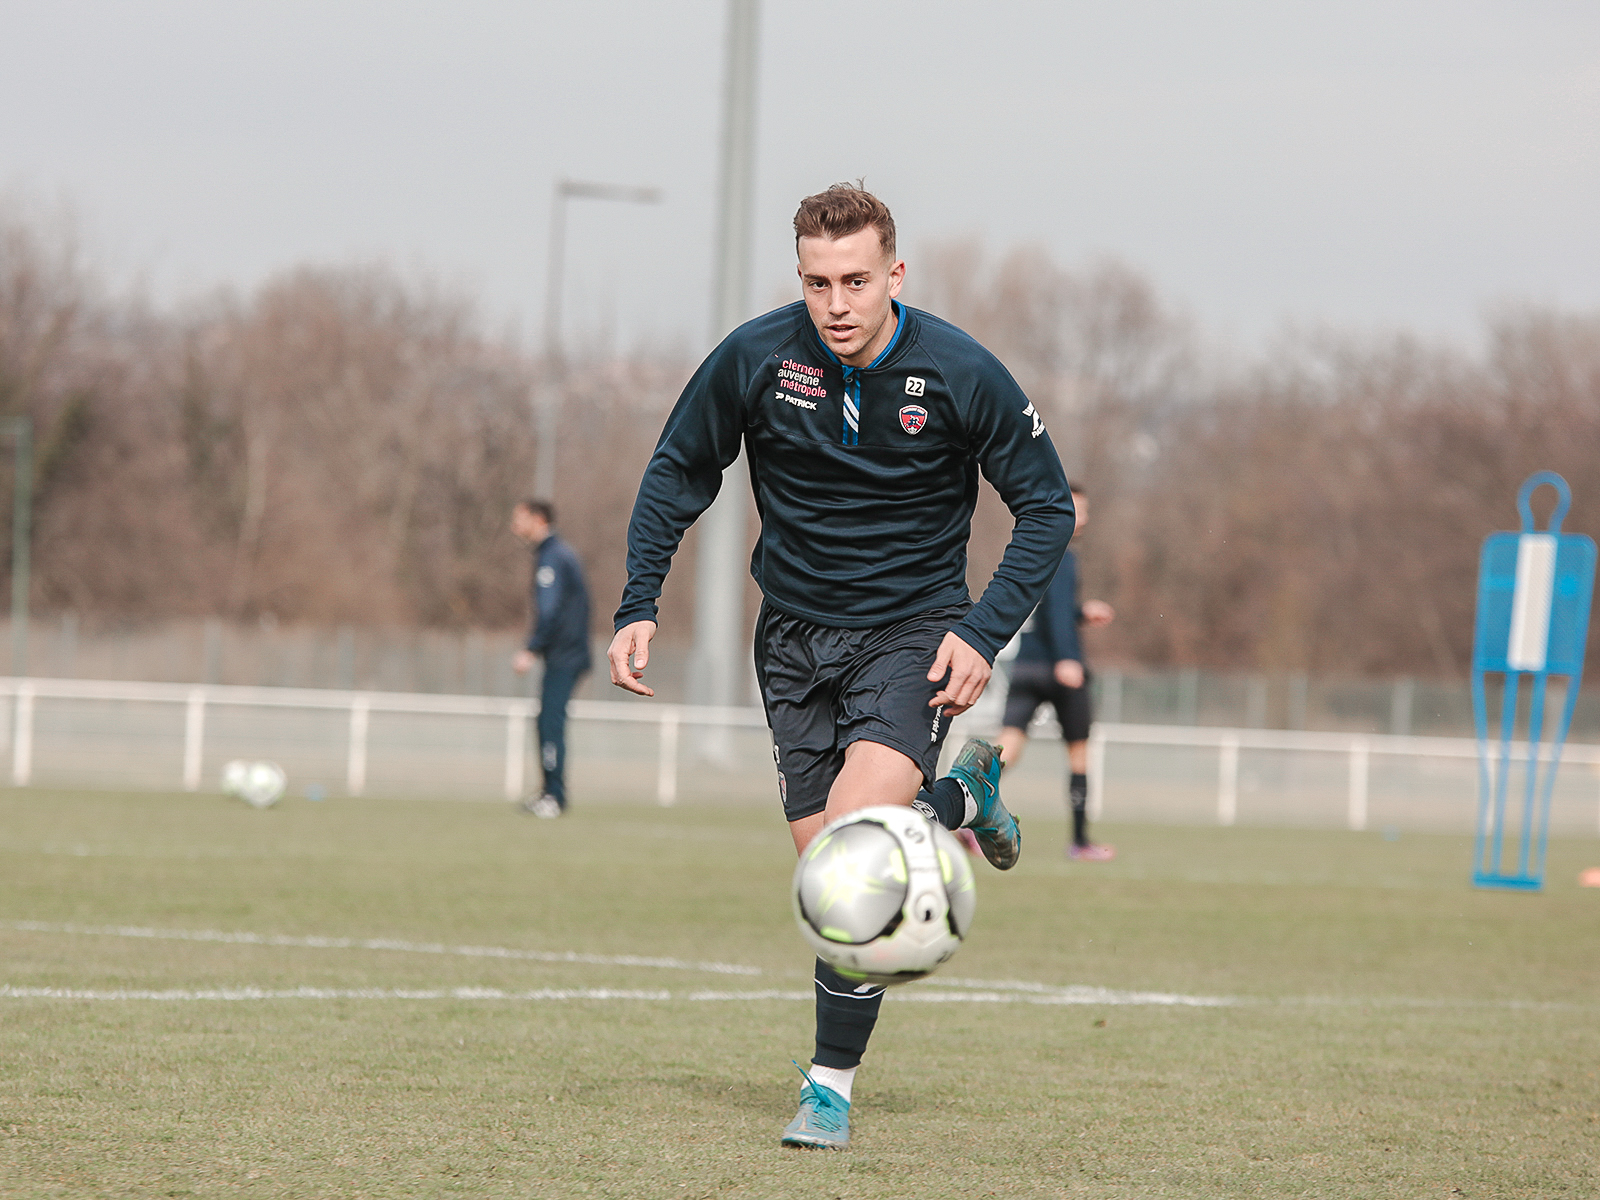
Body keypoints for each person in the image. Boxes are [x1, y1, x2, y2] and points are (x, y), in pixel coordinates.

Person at [607, 184, 1075, 1150]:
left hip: (914, 635)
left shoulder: (957, 371)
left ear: (894, 274)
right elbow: (675, 471)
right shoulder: (758, 357)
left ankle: (829, 1088)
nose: (837, 303)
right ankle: (963, 800)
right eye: (818, 283)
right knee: (830, 878)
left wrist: (982, 633)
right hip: (792, 643)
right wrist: (639, 602)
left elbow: (1047, 506)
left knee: (860, 864)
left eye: (857, 280)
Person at [998, 485, 1116, 859]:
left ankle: (960, 817)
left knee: (1003, 752)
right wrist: (1068, 657)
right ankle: (1080, 842)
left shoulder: (1034, 551)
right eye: (1077, 509)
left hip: (1026, 664)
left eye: (1085, 510)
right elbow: (1057, 613)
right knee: (1079, 754)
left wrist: (1081, 613)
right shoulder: (1065, 557)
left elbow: (1049, 609)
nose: (1083, 518)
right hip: (1057, 666)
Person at [511, 499, 592, 818]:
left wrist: (531, 648)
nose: (514, 526)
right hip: (565, 653)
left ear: (539, 519)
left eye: (519, 518)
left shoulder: (552, 557)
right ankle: (549, 791)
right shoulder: (556, 554)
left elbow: (550, 609)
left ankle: (554, 796)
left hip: (564, 654)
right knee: (546, 720)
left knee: (550, 722)